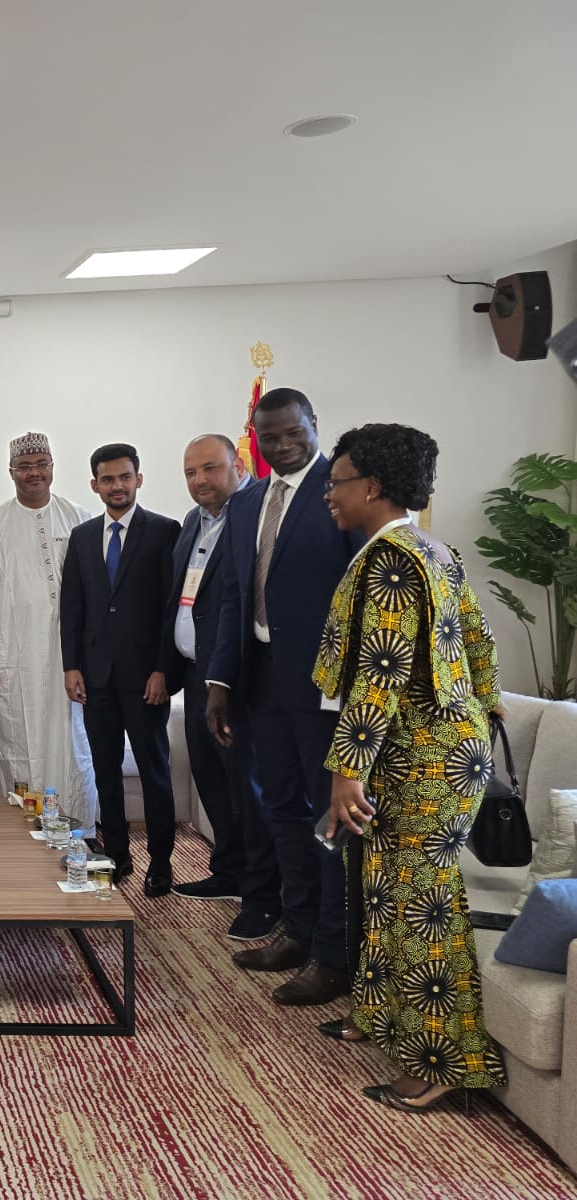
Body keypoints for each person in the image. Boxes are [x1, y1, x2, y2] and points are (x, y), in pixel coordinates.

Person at [312, 423, 507, 1111]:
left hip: (425, 760)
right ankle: (378, 1016)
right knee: (378, 888)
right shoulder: (431, 547)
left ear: (371, 487)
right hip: (437, 748)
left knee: (421, 905)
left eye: (336, 482)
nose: (329, 494)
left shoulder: (393, 561)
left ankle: (442, 1065)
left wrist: (346, 770)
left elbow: (382, 671)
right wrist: (485, 710)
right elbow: (479, 641)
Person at [206, 388, 364, 1004]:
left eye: (293, 432)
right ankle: (296, 931)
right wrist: (220, 681)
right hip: (260, 678)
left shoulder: (342, 493)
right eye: (268, 437)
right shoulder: (247, 502)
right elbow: (232, 596)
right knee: (279, 808)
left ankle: (333, 952)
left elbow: (360, 596)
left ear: (314, 425)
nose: (282, 445)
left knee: (329, 817)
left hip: (323, 686)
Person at [164, 434, 279, 915]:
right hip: (195, 673)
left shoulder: (256, 516)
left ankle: (262, 892)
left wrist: (223, 679)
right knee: (211, 778)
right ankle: (229, 870)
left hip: (234, 679)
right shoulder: (194, 521)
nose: (199, 480)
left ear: (239, 465)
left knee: (246, 786)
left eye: (210, 468)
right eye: (191, 472)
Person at [60, 443, 182, 895]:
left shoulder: (164, 531)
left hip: (146, 679)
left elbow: (171, 609)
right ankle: (117, 854)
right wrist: (71, 666)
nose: (117, 486)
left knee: (155, 772)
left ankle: (161, 863)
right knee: (105, 771)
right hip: (96, 678)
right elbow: (73, 607)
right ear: (95, 485)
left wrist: (163, 669)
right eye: (108, 479)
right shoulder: (82, 536)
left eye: (125, 477)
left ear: (138, 479)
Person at [0, 432, 98, 826]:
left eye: (41, 464)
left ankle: (77, 827)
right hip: (14, 652)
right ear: (11, 472)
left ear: (53, 468)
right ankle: (18, 830)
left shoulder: (78, 517)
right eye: (24, 466)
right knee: (17, 740)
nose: (34, 472)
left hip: (68, 654)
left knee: (72, 740)